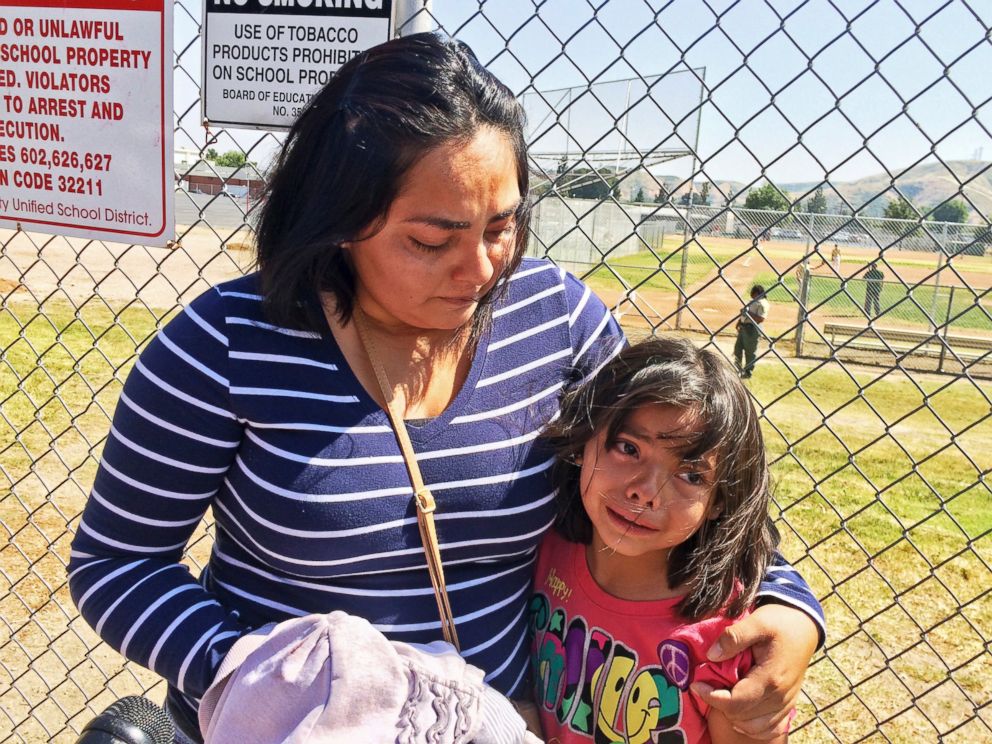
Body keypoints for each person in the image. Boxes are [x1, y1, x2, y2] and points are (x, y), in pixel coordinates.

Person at [68, 33, 822, 744]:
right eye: (432, 242)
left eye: (501, 226)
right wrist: (255, 676)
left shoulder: (555, 320)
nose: (482, 270)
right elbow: (115, 564)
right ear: (341, 220)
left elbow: (683, 474)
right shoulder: (225, 344)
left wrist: (788, 608)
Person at [532, 337, 794, 743]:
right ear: (584, 442)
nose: (647, 491)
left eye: (691, 476)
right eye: (628, 448)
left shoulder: (723, 640)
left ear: (720, 502)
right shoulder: (542, 547)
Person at [734, 285, 769, 379]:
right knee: (737, 349)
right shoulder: (752, 301)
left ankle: (747, 372)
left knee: (750, 352)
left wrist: (748, 314)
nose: (752, 295)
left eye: (754, 293)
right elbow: (745, 314)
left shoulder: (762, 303)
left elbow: (761, 319)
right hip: (744, 327)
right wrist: (739, 322)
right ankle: (737, 369)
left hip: (752, 329)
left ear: (758, 293)